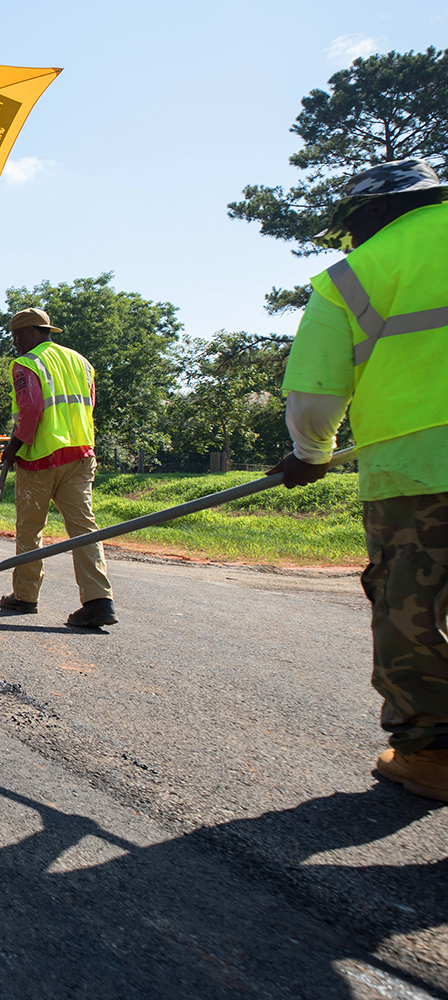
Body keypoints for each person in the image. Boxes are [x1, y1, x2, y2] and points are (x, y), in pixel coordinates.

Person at [271, 158, 448, 802]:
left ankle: (431, 753)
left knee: (412, 612)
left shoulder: (356, 275)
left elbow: (315, 393)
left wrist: (309, 453)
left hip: (418, 476)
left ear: (369, 214)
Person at [0, 307, 116, 628]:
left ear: (31, 332)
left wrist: (12, 450)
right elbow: (87, 406)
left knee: (30, 528)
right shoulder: (82, 363)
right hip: (81, 454)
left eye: (16, 337)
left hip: (41, 458)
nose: (15, 344)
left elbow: (31, 410)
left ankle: (25, 595)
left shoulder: (27, 363)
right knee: (84, 528)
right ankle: (98, 600)